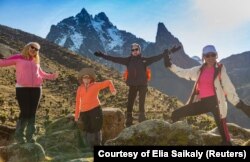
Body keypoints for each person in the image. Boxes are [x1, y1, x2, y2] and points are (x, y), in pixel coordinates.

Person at [164, 45, 250, 145]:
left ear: (216, 55)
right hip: (203, 103)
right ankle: (176, 140)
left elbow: (228, 86)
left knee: (225, 140)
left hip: (216, 103)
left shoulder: (220, 69)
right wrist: (170, 65)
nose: (210, 57)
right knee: (176, 114)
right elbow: (183, 72)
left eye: (213, 55)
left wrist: (239, 103)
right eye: (207, 55)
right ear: (203, 57)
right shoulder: (199, 70)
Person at [94, 43, 166, 127]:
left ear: (139, 50)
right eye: (133, 50)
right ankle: (129, 121)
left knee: (141, 103)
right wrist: (102, 55)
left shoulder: (144, 60)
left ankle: (142, 119)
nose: (135, 51)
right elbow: (114, 59)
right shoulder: (128, 60)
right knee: (130, 102)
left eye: (136, 49)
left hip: (143, 85)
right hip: (133, 85)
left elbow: (155, 58)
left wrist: (165, 54)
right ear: (131, 51)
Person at [0, 42, 59, 143]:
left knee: (32, 113)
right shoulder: (18, 57)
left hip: (36, 89)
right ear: (27, 47)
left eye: (36, 49)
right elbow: (2, 63)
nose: (34, 50)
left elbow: (41, 73)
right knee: (25, 112)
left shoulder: (36, 61)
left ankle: (30, 136)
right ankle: (19, 136)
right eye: (32, 47)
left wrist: (52, 76)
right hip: (22, 89)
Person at [74, 68, 116, 149]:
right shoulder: (80, 88)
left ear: (91, 79)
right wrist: (76, 115)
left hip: (95, 109)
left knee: (96, 128)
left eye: (88, 78)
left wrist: (112, 90)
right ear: (82, 79)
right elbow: (77, 102)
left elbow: (108, 82)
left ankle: (97, 146)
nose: (86, 79)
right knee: (87, 129)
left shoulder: (96, 85)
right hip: (84, 112)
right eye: (84, 78)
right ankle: (89, 148)